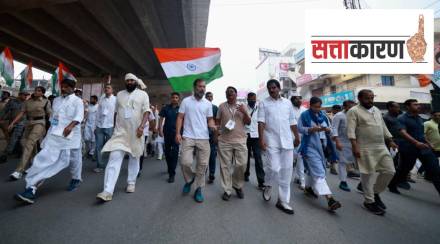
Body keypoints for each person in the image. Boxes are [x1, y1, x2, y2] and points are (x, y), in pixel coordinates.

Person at [15, 78, 84, 204]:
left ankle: (76, 178)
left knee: (75, 158)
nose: (62, 89)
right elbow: (53, 118)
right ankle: (31, 187)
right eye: (61, 86)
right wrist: (48, 135)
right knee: (46, 159)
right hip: (55, 135)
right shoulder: (56, 100)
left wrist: (70, 126)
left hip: (72, 136)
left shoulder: (78, 101)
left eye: (65, 87)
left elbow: (79, 116)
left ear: (72, 88)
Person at [96, 73, 151, 202]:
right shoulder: (119, 95)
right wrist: (115, 127)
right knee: (114, 157)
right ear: (125, 82)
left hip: (136, 131)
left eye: (132, 80)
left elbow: (147, 111)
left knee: (134, 157)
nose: (130, 82)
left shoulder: (143, 95)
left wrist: (142, 127)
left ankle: (131, 182)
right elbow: (116, 112)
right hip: (120, 132)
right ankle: (107, 191)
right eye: (128, 80)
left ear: (136, 82)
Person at [347, 89, 397, 215]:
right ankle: (369, 201)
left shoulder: (376, 110)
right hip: (364, 146)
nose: (370, 101)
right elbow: (351, 130)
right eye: (367, 98)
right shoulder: (353, 111)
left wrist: (390, 140)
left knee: (390, 171)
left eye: (372, 98)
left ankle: (375, 193)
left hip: (380, 146)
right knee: (367, 175)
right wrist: (355, 146)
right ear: (359, 98)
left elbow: (383, 126)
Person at [258, 79, 300, 215]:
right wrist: (261, 140)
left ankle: (282, 201)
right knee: (274, 168)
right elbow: (261, 122)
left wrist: (297, 136)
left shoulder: (287, 103)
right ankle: (268, 184)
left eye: (274, 87)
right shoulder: (264, 103)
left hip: (287, 141)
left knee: (287, 171)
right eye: (270, 88)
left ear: (279, 88)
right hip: (271, 140)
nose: (272, 90)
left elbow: (292, 121)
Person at [388, 99, 440, 197]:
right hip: (408, 148)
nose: (418, 106)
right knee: (405, 169)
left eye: (418, 104)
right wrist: (416, 143)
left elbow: (421, 134)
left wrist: (428, 143)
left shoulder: (419, 118)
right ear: (408, 107)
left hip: (423, 148)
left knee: (435, 170)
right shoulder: (401, 118)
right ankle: (392, 184)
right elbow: (403, 132)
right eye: (415, 104)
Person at [175, 79, 216, 203]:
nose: (202, 89)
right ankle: (189, 179)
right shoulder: (186, 101)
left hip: (204, 138)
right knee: (185, 162)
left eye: (204, 86)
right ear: (194, 87)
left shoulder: (207, 104)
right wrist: (178, 133)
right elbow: (180, 117)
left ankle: (198, 189)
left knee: (202, 165)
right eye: (200, 86)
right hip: (188, 136)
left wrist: (212, 125)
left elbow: (210, 119)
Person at [298, 97, 342, 211]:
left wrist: (327, 130)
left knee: (311, 168)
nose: (318, 109)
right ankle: (330, 199)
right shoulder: (304, 115)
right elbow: (300, 128)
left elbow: (330, 129)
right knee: (319, 172)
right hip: (309, 147)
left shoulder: (323, 116)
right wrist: (312, 129)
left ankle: (308, 188)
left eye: (319, 106)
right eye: (315, 107)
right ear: (310, 106)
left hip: (323, 146)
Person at [8, 87, 51, 180]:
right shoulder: (27, 102)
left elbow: (50, 114)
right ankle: (34, 165)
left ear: (43, 93)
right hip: (28, 124)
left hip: (40, 123)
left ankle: (19, 170)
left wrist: (54, 126)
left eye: (39, 91)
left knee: (29, 143)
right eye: (36, 90)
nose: (36, 91)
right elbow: (21, 113)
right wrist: (13, 123)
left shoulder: (46, 101)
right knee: (25, 143)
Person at [216, 86, 251, 201]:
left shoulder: (242, 106)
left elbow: (248, 122)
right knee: (225, 166)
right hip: (224, 141)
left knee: (242, 164)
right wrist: (217, 134)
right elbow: (217, 122)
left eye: (232, 92)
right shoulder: (221, 106)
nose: (229, 94)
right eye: (227, 92)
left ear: (236, 94)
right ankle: (227, 189)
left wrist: (245, 112)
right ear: (226, 95)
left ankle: (237, 185)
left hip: (240, 140)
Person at [332, 100, 356, 192]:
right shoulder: (339, 116)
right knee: (342, 162)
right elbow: (334, 129)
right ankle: (343, 181)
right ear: (345, 107)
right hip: (342, 142)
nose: (352, 109)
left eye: (353, 107)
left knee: (359, 162)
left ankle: (363, 183)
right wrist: (337, 142)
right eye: (350, 107)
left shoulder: (355, 115)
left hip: (354, 142)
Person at [244, 92, 265, 189]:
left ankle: (261, 181)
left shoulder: (260, 108)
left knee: (258, 158)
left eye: (254, 99)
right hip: (246, 135)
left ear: (256, 99)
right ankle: (246, 173)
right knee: (246, 157)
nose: (252, 100)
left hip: (256, 136)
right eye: (250, 99)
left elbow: (263, 123)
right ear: (247, 99)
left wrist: (263, 138)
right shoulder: (243, 108)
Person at [94, 84, 117, 173]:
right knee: (98, 146)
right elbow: (98, 113)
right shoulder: (101, 99)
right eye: (105, 88)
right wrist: (95, 126)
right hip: (100, 126)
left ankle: (111, 165)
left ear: (112, 90)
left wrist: (116, 127)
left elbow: (117, 114)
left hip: (110, 126)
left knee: (110, 147)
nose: (106, 89)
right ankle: (100, 165)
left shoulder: (115, 100)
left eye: (108, 88)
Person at [158, 92, 180, 183]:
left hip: (177, 134)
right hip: (167, 133)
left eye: (176, 97)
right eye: (173, 97)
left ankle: (172, 174)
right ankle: (169, 167)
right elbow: (161, 119)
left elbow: (184, 120)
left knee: (175, 153)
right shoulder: (165, 108)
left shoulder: (181, 109)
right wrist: (160, 129)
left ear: (178, 99)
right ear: (171, 99)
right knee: (167, 153)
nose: (174, 99)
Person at [0, 91, 28, 162]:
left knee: (14, 138)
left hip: (22, 123)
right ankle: (19, 152)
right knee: (15, 138)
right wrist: (1, 118)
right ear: (20, 95)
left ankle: (5, 155)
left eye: (26, 95)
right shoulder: (12, 102)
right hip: (11, 123)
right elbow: (5, 110)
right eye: (24, 95)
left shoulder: (27, 103)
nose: (25, 96)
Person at [290, 92, 307, 190]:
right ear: (292, 100)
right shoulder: (288, 110)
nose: (299, 100)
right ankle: (293, 178)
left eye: (300, 98)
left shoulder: (305, 110)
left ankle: (302, 180)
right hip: (290, 138)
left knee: (300, 159)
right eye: (296, 98)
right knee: (291, 160)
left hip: (302, 139)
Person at [205, 91, 218, 184]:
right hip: (202, 135)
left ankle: (212, 174)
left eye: (211, 97)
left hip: (212, 135)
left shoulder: (215, 108)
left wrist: (216, 135)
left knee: (212, 155)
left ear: (212, 98)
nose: (209, 98)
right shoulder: (202, 107)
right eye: (208, 96)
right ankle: (202, 172)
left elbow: (217, 122)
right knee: (203, 156)